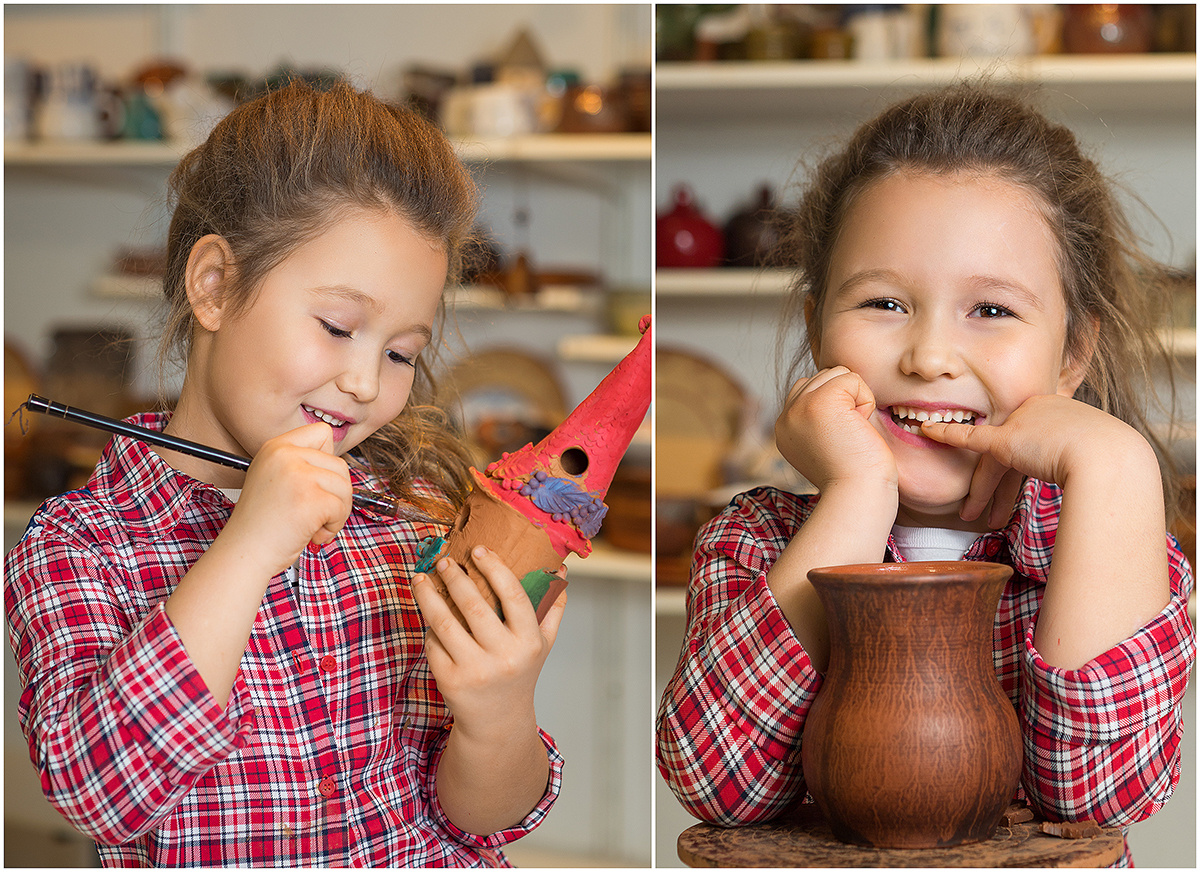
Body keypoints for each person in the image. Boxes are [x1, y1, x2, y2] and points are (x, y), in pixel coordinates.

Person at [6, 80, 568, 867]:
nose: (368, 384)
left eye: (401, 352)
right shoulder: (82, 545)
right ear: (215, 285)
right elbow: (102, 794)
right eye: (338, 326)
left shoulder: (411, 515)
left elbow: (484, 819)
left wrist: (499, 710)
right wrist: (250, 543)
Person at [656, 83, 1194, 866]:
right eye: (883, 302)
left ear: (1073, 354)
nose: (929, 356)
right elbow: (717, 785)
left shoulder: (1111, 546)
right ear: (816, 331)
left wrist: (1116, 463)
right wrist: (855, 495)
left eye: (992, 310)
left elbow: (1099, 797)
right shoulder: (755, 542)